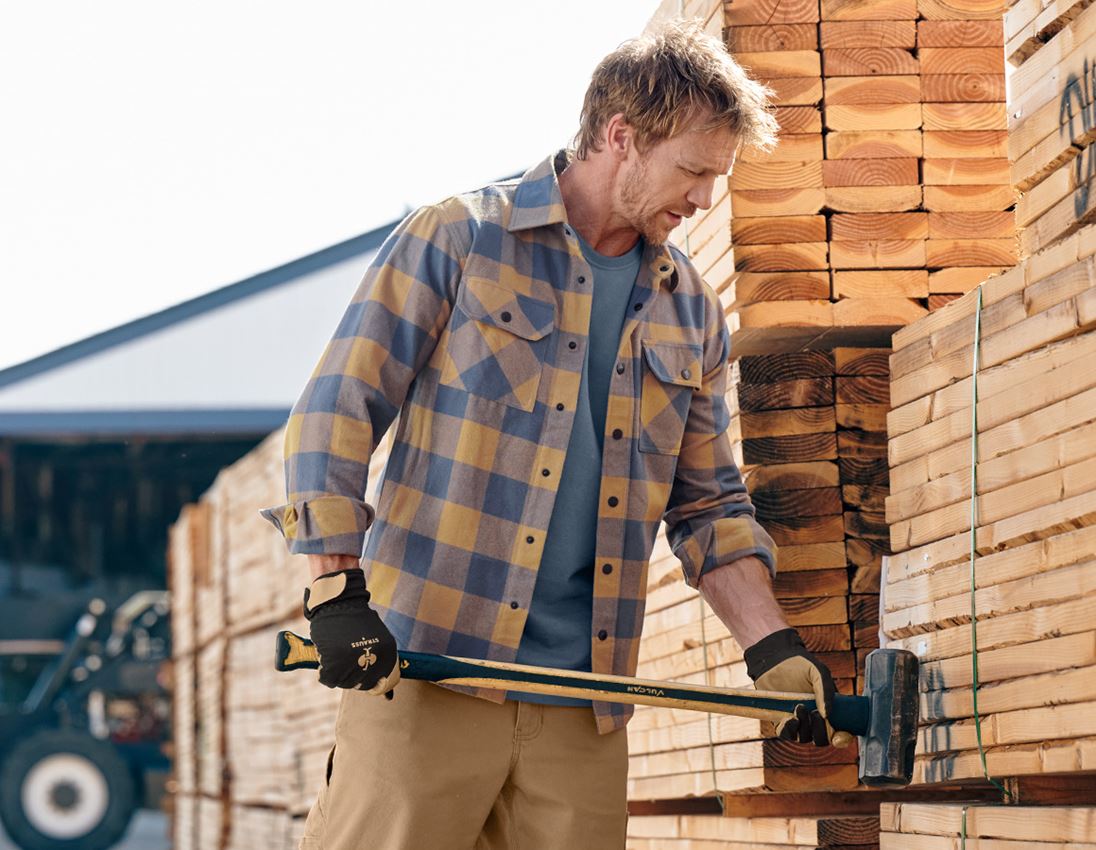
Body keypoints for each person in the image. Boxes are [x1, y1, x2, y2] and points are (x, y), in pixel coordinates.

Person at [261, 20, 844, 850]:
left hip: (583, 705)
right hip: (430, 674)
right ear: (622, 137)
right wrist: (335, 594)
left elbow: (710, 505)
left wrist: (771, 645)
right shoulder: (459, 239)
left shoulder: (690, 311)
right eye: (693, 170)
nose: (705, 199)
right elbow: (335, 411)